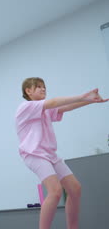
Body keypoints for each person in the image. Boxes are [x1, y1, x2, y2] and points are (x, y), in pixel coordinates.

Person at [15, 77, 108, 229]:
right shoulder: (25, 107)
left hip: (49, 154)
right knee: (55, 191)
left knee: (75, 188)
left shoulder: (44, 111)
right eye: (39, 87)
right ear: (28, 91)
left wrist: (90, 100)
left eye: (44, 86)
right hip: (33, 154)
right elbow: (54, 102)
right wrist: (83, 96)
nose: (43, 89)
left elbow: (65, 107)